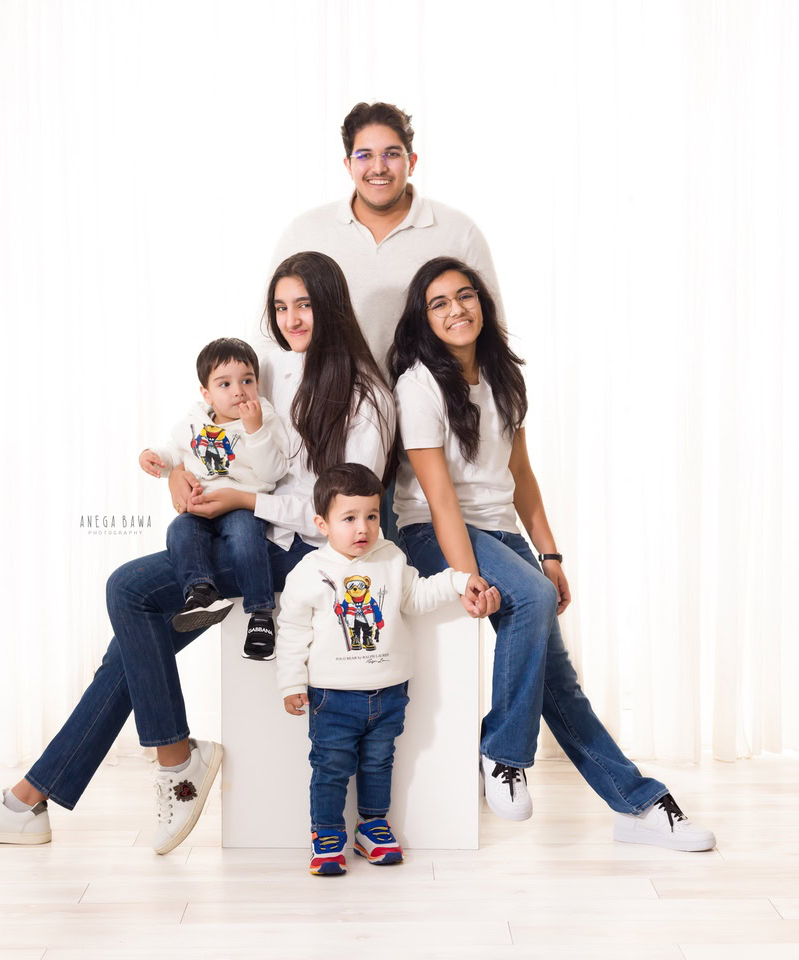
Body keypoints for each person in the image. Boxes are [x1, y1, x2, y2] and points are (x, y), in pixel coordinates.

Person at [0, 251, 403, 855]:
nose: (291, 318)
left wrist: (244, 500)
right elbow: (219, 435)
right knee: (130, 652)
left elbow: (339, 507)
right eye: (281, 307)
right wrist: (181, 475)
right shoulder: (278, 370)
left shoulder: (365, 397)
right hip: (246, 528)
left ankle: (159, 765)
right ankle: (31, 799)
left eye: (305, 305)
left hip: (300, 552)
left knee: (129, 592)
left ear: (331, 306)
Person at [388, 256, 717, 852]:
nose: (456, 309)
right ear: (424, 319)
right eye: (439, 303)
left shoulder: (502, 376)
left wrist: (551, 553)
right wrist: (464, 574)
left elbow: (521, 473)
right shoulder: (418, 384)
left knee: (561, 689)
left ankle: (638, 805)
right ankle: (502, 754)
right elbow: (437, 496)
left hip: (500, 534)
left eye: (465, 296)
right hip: (433, 533)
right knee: (532, 597)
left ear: (482, 305)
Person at [269, 100, 504, 543]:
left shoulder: (457, 231)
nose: (379, 167)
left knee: (403, 578)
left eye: (392, 154)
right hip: (339, 427)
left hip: (427, 430)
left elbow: (489, 334)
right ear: (347, 164)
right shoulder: (307, 230)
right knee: (350, 573)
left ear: (412, 161)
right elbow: (272, 336)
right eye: (365, 155)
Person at [276, 463, 498, 875]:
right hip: (332, 695)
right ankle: (326, 833)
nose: (363, 528)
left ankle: (373, 825)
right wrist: (290, 681)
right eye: (349, 518)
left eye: (372, 516)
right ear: (322, 523)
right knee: (330, 766)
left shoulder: (391, 558)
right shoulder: (309, 573)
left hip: (388, 692)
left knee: (379, 763)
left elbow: (416, 595)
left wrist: (457, 580)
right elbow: (291, 631)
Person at [139, 337, 289, 660]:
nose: (238, 391)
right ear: (206, 393)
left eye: (247, 381)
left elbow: (273, 472)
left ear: (257, 384)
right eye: (225, 384)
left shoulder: (264, 419)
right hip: (201, 504)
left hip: (241, 505)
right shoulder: (195, 421)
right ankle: (200, 591)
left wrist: (255, 430)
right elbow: (175, 450)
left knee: (246, 538)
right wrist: (154, 457)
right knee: (179, 531)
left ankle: (261, 614)